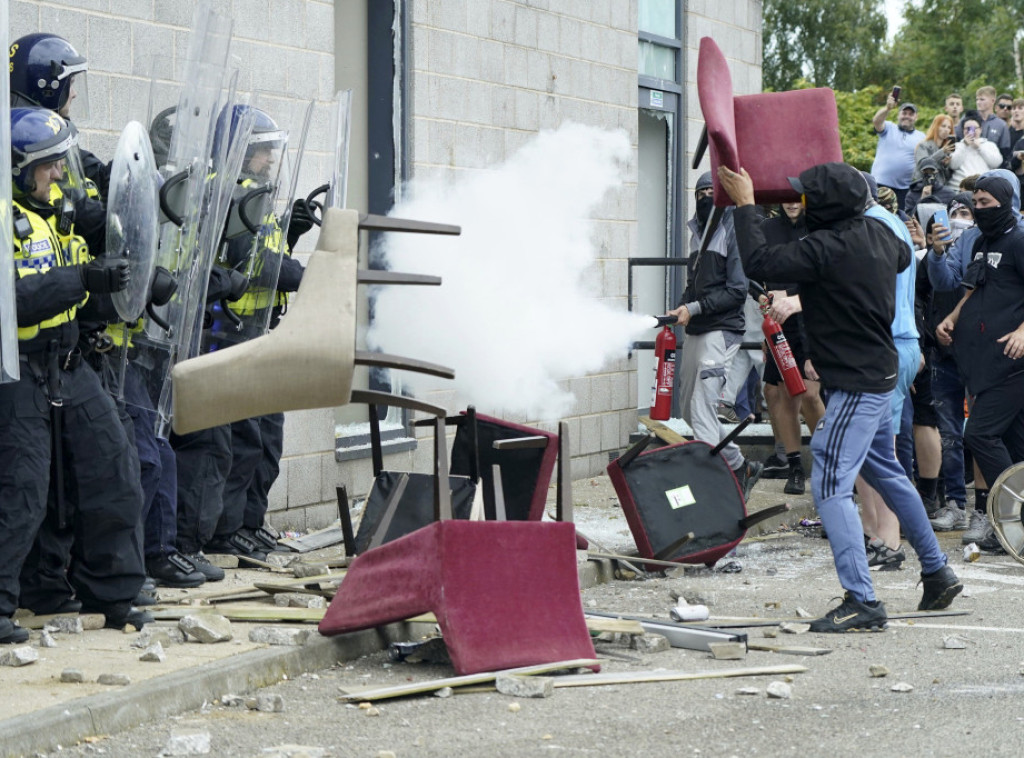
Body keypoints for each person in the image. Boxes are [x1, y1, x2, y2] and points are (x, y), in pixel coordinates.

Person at [717, 160, 962, 633]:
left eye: (806, 197)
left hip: (855, 380)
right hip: (877, 370)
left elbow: (763, 263)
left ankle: (862, 600)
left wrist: (747, 206)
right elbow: (903, 257)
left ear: (824, 207)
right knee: (888, 472)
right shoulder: (883, 237)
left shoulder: (826, 246)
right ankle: (937, 571)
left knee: (828, 478)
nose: (800, 203)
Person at [2, 108, 149, 634]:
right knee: (22, 490)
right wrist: (81, 277)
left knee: (114, 470)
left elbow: (81, 296)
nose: (60, 174)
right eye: (48, 166)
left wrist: (127, 287)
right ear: (18, 168)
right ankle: (4, 605)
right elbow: (12, 298)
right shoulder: (3, 219)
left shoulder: (60, 214)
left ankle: (111, 597)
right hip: (18, 374)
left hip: (70, 364)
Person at [936, 171, 1024, 553]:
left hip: (1012, 362)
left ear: (1006, 202)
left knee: (980, 435)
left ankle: (1007, 515)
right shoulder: (981, 243)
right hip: (982, 360)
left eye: (986, 203)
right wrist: (955, 315)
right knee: (1014, 444)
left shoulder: (1020, 240)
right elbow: (975, 290)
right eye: (976, 202)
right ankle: (1013, 529)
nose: (978, 209)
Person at [666, 172, 762, 498]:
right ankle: (740, 466)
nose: (706, 197)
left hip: (721, 331)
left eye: (712, 191)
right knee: (692, 409)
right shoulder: (698, 233)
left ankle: (710, 487)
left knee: (703, 405)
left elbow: (737, 290)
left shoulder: (732, 229)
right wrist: (680, 308)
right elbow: (695, 284)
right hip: (697, 328)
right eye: (701, 192)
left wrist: (693, 308)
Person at [757, 201, 825, 495]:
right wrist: (762, 296)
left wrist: (792, 295)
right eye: (785, 196)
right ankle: (795, 466)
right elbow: (755, 272)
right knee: (784, 395)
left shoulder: (819, 226)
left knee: (810, 395)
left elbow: (826, 275)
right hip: (777, 323)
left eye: (798, 196)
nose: (791, 202)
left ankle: (829, 460)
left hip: (812, 321)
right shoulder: (768, 228)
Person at [871, 95, 925, 211]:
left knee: (899, 219)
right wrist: (887, 108)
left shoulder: (922, 137)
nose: (907, 116)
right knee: (875, 216)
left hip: (904, 189)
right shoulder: (889, 127)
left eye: (911, 114)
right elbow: (876, 121)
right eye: (904, 113)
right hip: (879, 184)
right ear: (898, 115)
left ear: (916, 117)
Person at [948, 112, 1002, 191]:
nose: (971, 131)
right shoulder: (957, 145)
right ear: (963, 131)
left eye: (974, 128)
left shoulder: (989, 145)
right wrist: (964, 145)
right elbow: (953, 165)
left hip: (983, 187)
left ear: (980, 130)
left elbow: (996, 163)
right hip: (959, 186)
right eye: (967, 128)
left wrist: (980, 148)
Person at [959, 86, 1011, 166]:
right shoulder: (967, 118)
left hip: (991, 169)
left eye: (982, 99)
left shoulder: (1001, 125)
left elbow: (1005, 154)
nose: (978, 102)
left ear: (993, 101)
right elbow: (958, 141)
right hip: (967, 167)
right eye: (977, 99)